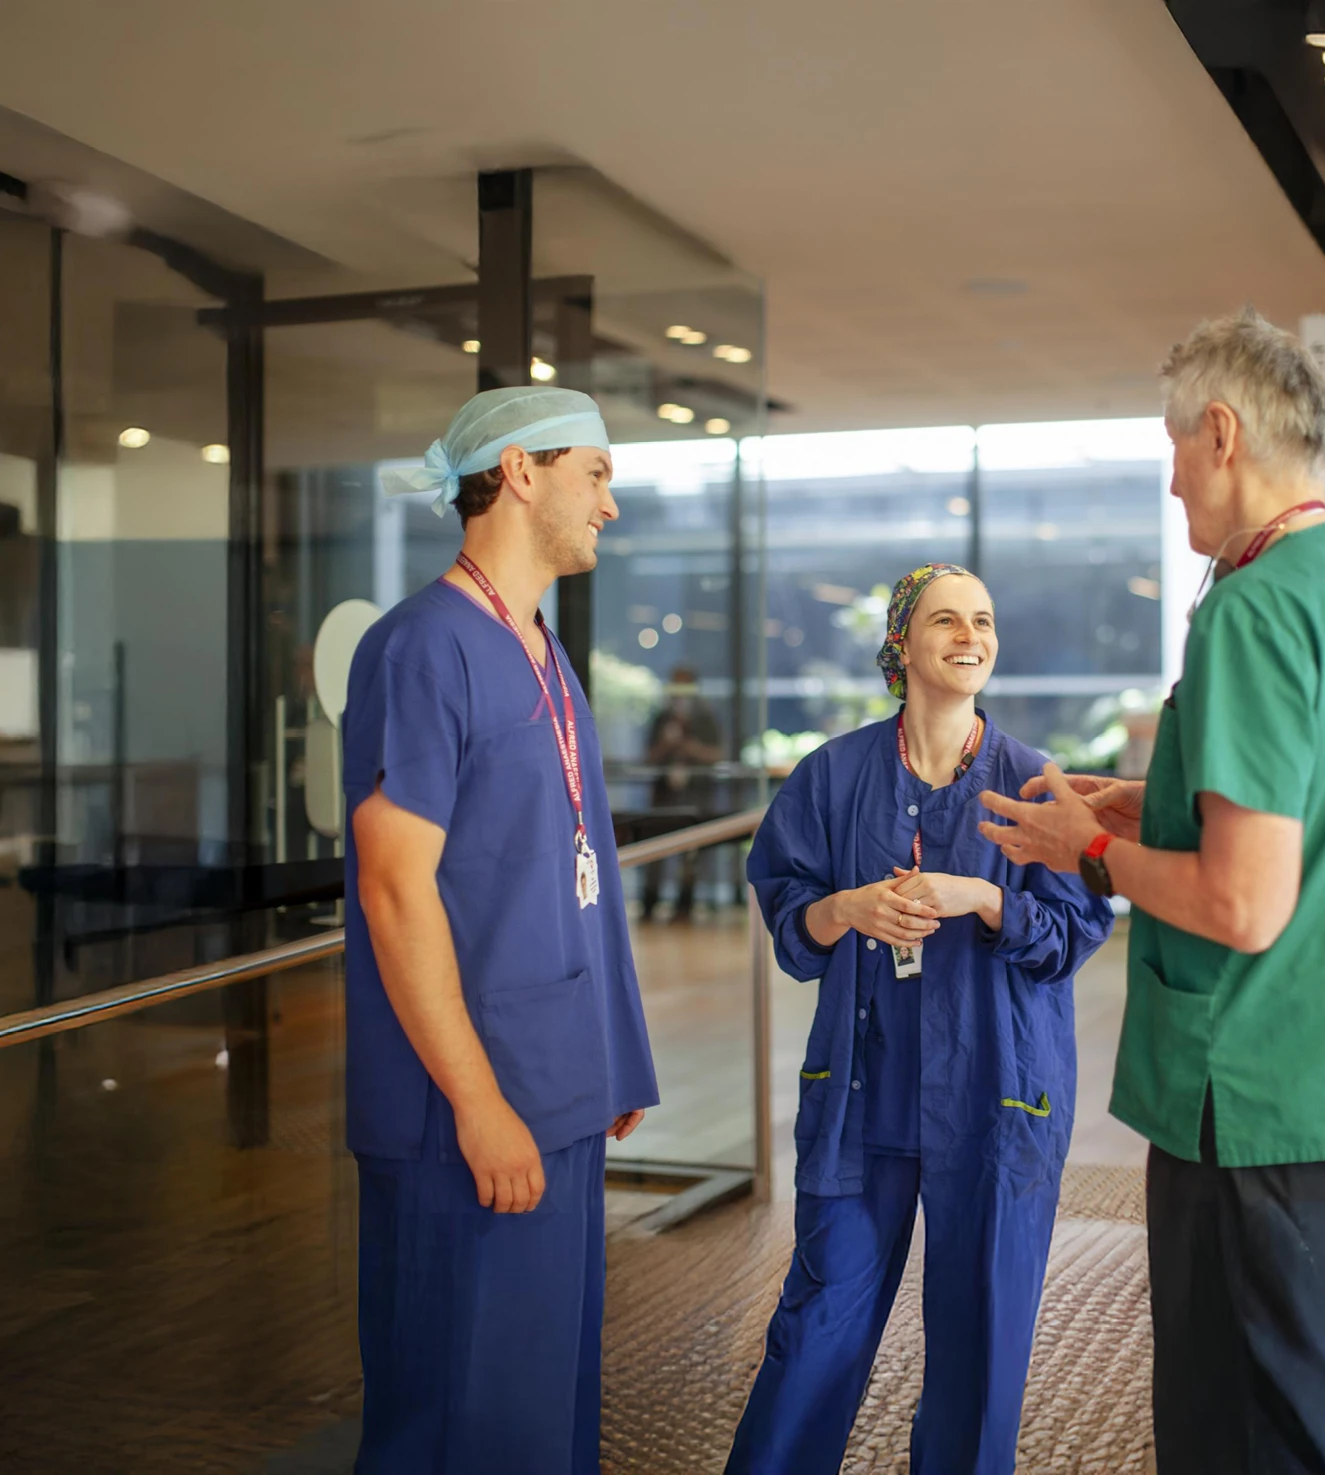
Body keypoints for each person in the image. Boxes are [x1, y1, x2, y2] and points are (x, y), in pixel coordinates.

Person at [978, 308, 1325, 1474]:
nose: (1172, 474)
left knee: (1242, 1431)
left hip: (1252, 1094)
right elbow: (1323, 819)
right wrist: (1156, 802)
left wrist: (1076, 850)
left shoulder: (1251, 604)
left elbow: (1242, 905)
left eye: (1173, 443)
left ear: (1222, 433)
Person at [726, 563, 1112, 1474]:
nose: (969, 635)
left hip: (995, 1100)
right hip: (865, 1101)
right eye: (946, 619)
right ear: (901, 643)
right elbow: (791, 919)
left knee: (981, 1343)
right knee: (816, 1327)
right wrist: (847, 909)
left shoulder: (1031, 783)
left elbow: (1077, 932)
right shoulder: (831, 776)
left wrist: (988, 897)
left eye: (982, 619)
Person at [343, 385, 658, 1474]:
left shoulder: (541, 652)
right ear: (518, 470)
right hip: (460, 1117)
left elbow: (570, 871)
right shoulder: (420, 648)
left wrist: (603, 1056)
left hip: (555, 1094)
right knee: (456, 1422)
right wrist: (478, 1104)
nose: (609, 504)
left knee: (539, 1414)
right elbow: (395, 888)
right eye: (596, 474)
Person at [639, 663, 725, 922]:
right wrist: (666, 745)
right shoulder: (661, 718)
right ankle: (649, 903)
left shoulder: (706, 719)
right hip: (663, 800)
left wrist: (689, 747)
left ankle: (684, 905)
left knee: (690, 856)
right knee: (655, 852)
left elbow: (717, 755)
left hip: (695, 799)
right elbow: (648, 757)